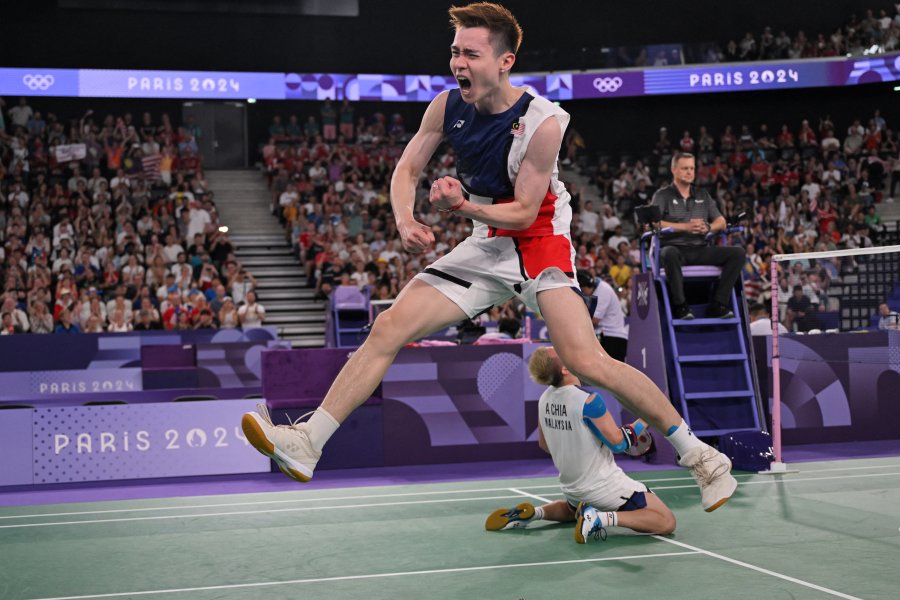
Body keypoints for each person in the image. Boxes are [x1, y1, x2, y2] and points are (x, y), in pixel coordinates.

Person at [242, 2, 737, 512]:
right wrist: (406, 220)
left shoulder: (544, 121)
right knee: (388, 327)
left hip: (539, 238)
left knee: (587, 361)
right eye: (455, 51)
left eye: (471, 54)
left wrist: (460, 205)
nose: (458, 63)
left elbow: (523, 212)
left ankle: (699, 455)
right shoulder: (446, 106)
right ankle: (308, 443)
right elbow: (407, 169)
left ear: (504, 61)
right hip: (486, 241)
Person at [485, 347, 675, 542]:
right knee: (665, 521)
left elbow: (544, 444)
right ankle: (600, 518)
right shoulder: (588, 401)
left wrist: (575, 447)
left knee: (572, 510)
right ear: (565, 370)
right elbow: (618, 444)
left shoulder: (544, 399)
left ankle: (534, 513)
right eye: (562, 352)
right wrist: (646, 418)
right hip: (606, 487)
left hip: (572, 487)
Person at [651, 152, 746, 320]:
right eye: (685, 168)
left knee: (737, 253)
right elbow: (655, 222)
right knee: (668, 253)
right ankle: (680, 307)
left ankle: (718, 304)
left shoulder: (703, 195)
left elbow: (721, 221)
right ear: (674, 170)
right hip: (675, 250)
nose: (689, 172)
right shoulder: (662, 195)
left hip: (700, 249)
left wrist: (709, 227)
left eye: (692, 168)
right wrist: (685, 227)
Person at [577, 270, 628, 361]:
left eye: (583, 290)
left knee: (613, 373)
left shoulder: (603, 290)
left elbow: (594, 320)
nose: (583, 294)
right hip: (605, 335)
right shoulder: (595, 285)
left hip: (613, 338)